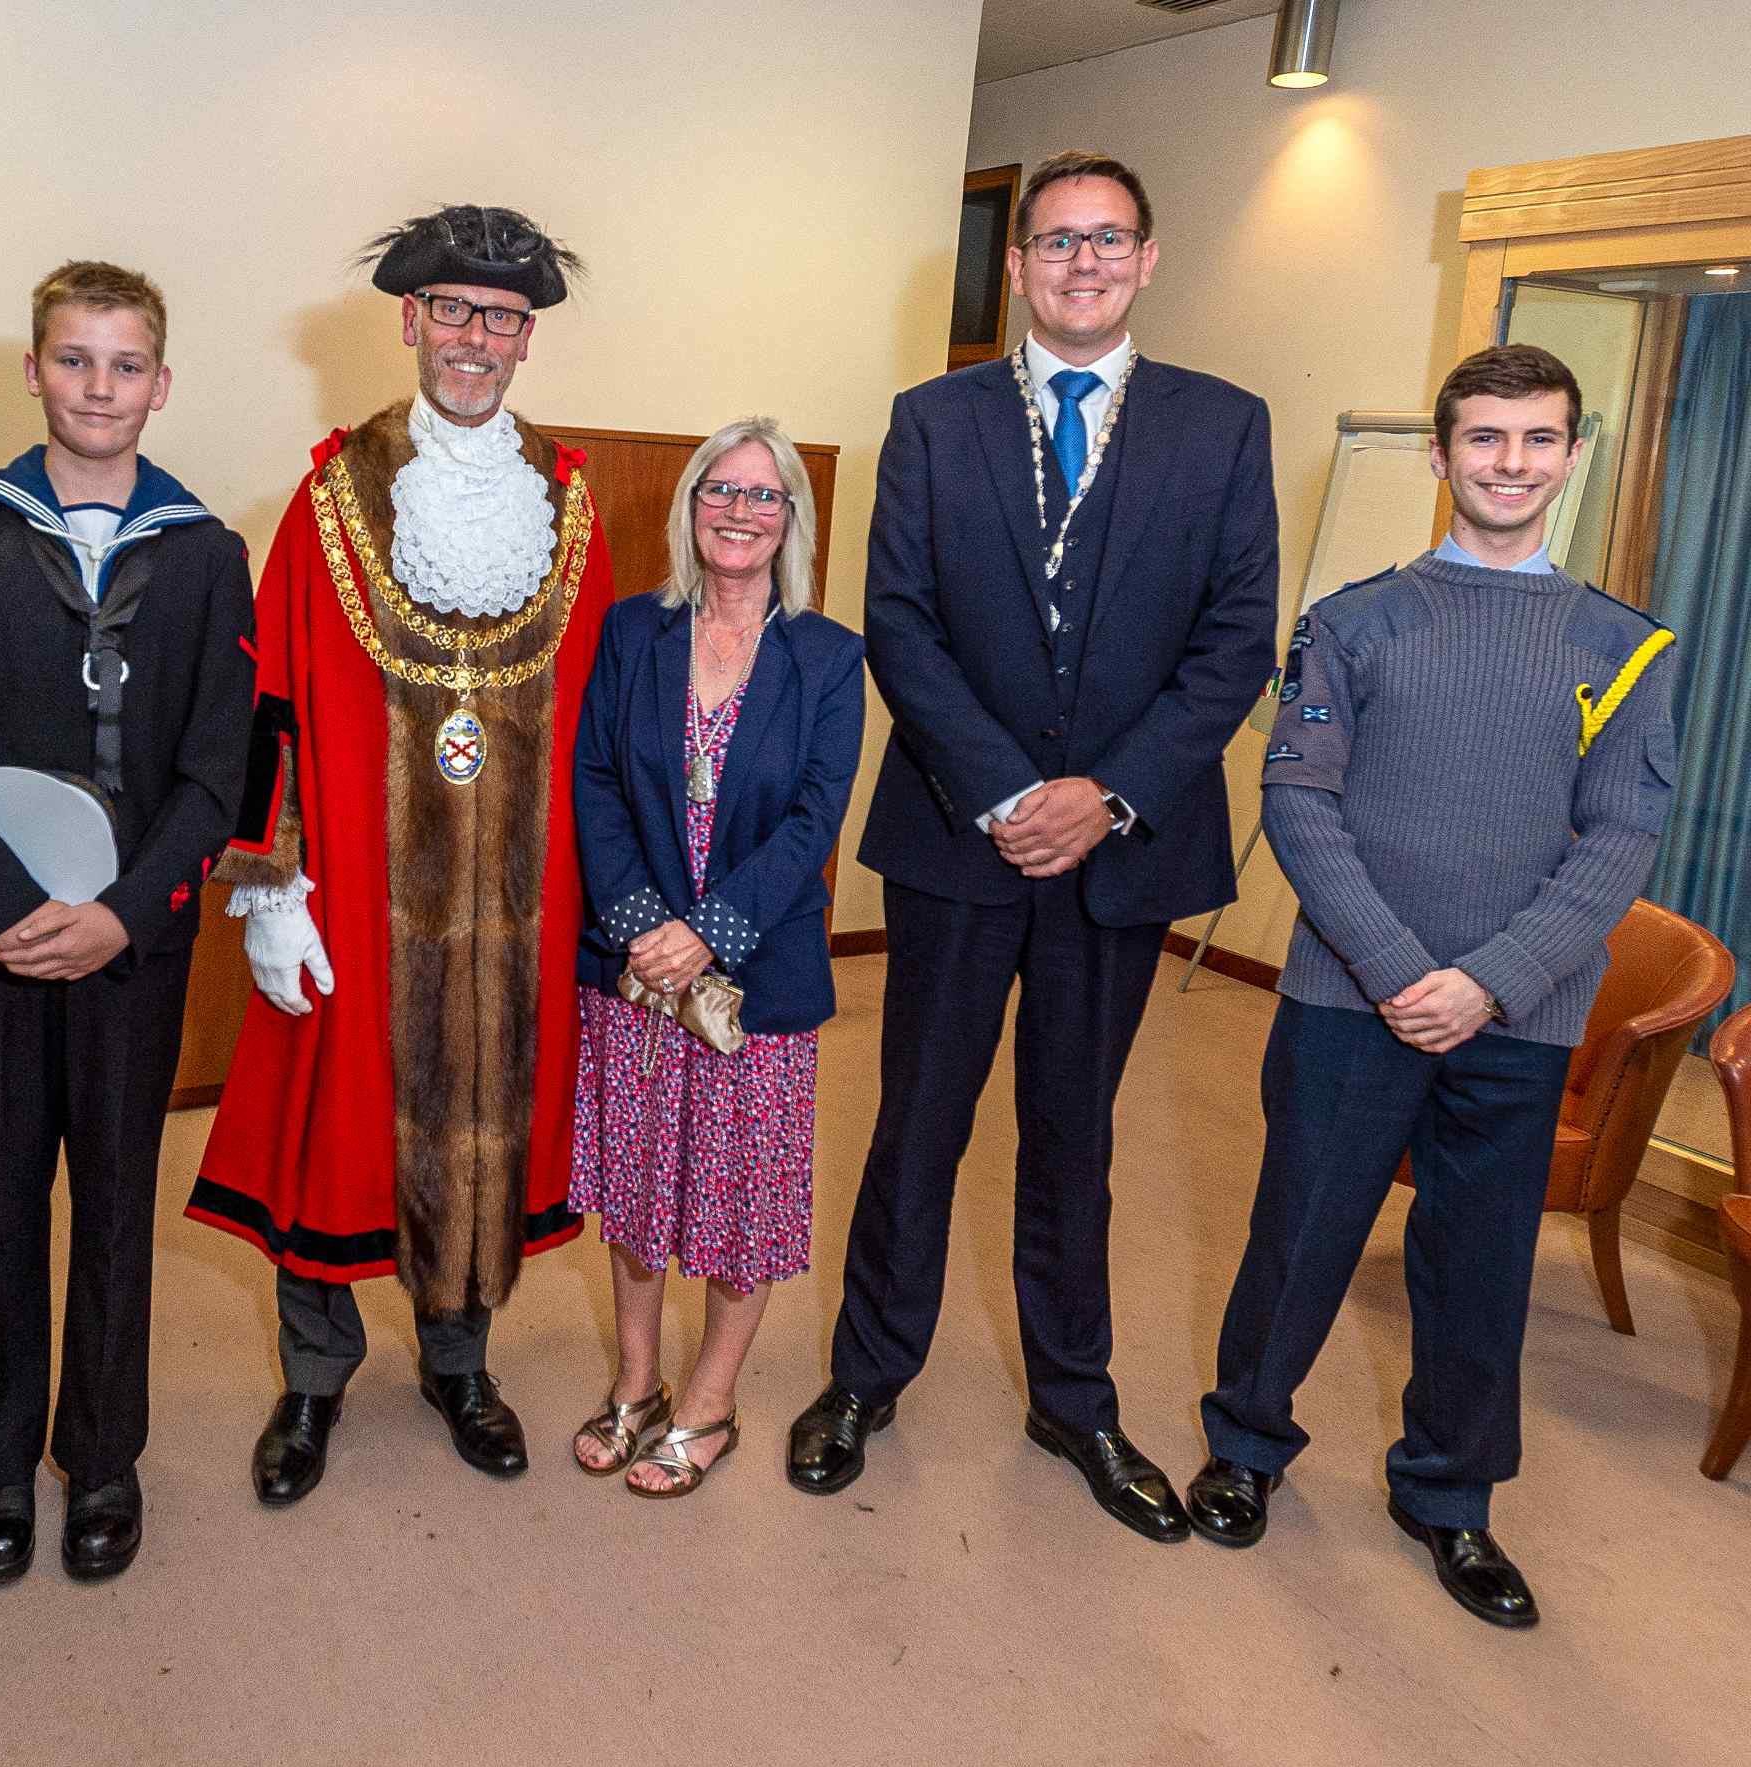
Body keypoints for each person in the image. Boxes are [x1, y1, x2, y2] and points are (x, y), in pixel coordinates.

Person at [793, 150, 1279, 1539]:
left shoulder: (1224, 426)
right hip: (961, 844)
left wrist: (1105, 796)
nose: (1082, 262)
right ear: (1014, 267)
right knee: (918, 1125)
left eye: (1108, 239)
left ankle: (1075, 1399)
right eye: (1056, 242)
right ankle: (866, 1374)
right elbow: (902, 622)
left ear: (1148, 259)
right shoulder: (933, 422)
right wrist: (1012, 794)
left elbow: (1234, 641)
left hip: (1126, 855)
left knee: (1075, 1137)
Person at [1187, 345, 1676, 1628]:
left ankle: (1449, 1498)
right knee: (1299, 1234)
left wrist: (1494, 983)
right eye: (1485, 439)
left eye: (1537, 441)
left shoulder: (1624, 647)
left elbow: (1623, 837)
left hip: (1521, 1016)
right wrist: (1407, 971)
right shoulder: (1350, 621)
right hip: (1353, 1000)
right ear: (1442, 454)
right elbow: (1298, 800)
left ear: (1572, 457)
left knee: (1479, 1265)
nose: (1510, 463)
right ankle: (1244, 1449)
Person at [184, 203, 614, 1504]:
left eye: (502, 319)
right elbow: (259, 719)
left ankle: (459, 1362)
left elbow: (604, 727)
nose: (476, 339)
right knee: (336, 1121)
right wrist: (265, 894)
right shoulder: (326, 502)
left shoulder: (572, 509)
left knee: (488, 1117)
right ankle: (312, 1379)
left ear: (526, 340)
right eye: (453, 312)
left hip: (524, 898)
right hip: (356, 893)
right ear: (411, 322)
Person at [0, 260, 254, 1585]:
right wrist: (14, 912)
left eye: (124, 364)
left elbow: (217, 773)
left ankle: (107, 1454)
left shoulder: (205, 554)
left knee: (120, 1201)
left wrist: (124, 915)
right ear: (33, 372)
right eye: (74, 360)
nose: (99, 386)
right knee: (2, 1193)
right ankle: (0, 1456)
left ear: (160, 383)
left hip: (133, 947)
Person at [567, 418, 864, 1497]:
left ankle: (710, 1402)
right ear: (691, 510)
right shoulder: (630, 633)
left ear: (793, 517)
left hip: (758, 978)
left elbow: (814, 815)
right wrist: (644, 922)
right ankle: (637, 1385)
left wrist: (712, 933)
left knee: (745, 1203)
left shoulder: (829, 658)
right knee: (640, 1193)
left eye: (763, 495)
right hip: (638, 967)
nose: (739, 513)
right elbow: (595, 780)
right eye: (719, 493)